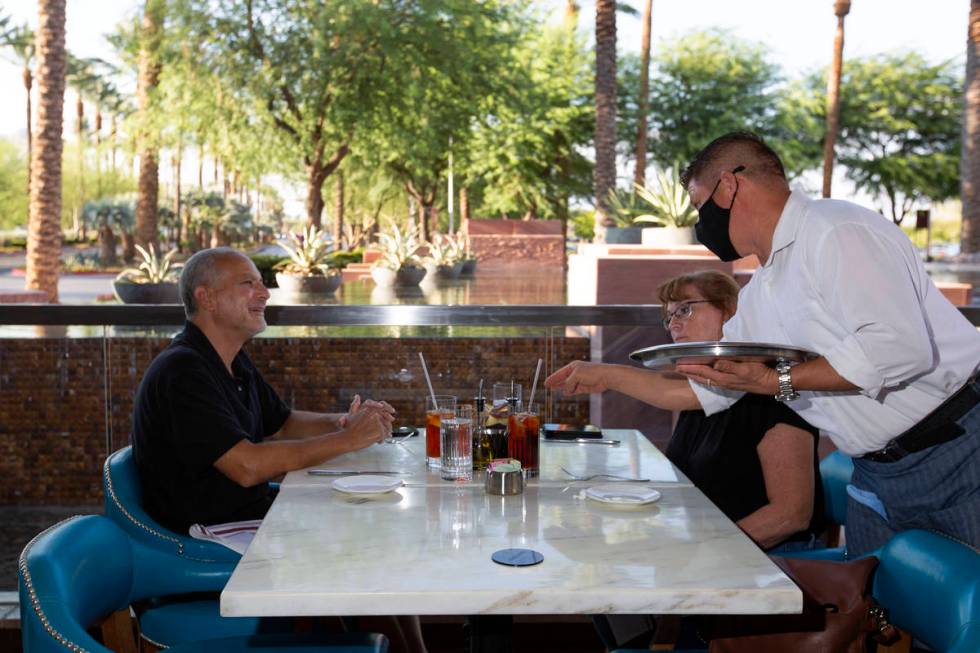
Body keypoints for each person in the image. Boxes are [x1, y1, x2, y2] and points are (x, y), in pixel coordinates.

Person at [661, 131, 978, 557]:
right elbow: (720, 375)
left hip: (956, 453)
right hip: (875, 473)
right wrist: (610, 374)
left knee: (963, 615)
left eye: (701, 206)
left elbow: (899, 347)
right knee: (877, 614)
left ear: (730, 186)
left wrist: (780, 381)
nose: (702, 226)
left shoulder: (835, 230)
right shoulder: (763, 287)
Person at [131, 246, 426, 653]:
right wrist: (346, 441)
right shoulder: (183, 372)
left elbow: (283, 422)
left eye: (262, 282)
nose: (265, 292)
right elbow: (247, 466)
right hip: (202, 534)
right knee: (362, 551)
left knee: (372, 536)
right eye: (248, 283)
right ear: (207, 298)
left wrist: (345, 422)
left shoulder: (230, 360)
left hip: (243, 513)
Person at [546, 270, 824, 552]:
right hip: (705, 549)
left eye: (685, 309)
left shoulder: (771, 389)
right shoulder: (703, 390)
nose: (674, 324)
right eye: (669, 317)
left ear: (729, 312)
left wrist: (700, 549)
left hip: (766, 562)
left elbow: (791, 516)